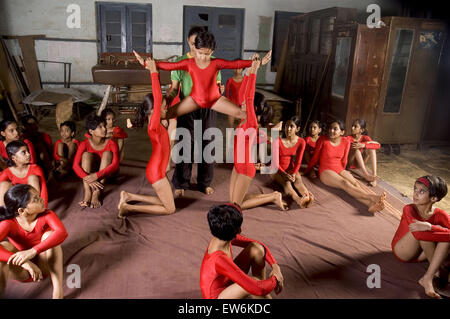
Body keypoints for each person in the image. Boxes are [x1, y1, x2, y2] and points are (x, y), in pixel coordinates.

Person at [161, 26, 223, 196]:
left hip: (208, 108)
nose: (196, 49)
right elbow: (174, 89)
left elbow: (216, 87)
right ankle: (181, 182)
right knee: (184, 145)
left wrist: (219, 92)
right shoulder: (181, 63)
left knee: (208, 145)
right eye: (192, 44)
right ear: (189, 42)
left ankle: (204, 182)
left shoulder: (213, 62)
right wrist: (166, 101)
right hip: (187, 107)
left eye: (199, 45)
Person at [117, 56, 175, 218]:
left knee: (165, 201)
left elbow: (164, 99)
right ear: (153, 111)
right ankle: (128, 208)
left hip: (157, 169)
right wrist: (153, 72)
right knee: (170, 209)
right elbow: (157, 98)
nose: (165, 109)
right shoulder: (154, 125)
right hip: (156, 171)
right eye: (163, 107)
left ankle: (129, 196)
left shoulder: (158, 123)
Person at [151, 30, 253, 119]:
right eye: (200, 53)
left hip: (215, 99)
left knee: (244, 114)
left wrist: (255, 62)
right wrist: (150, 64)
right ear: (195, 49)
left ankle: (249, 137)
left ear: (212, 51)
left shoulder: (216, 63)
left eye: (207, 54)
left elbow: (235, 64)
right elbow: (170, 66)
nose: (203, 58)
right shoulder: (189, 63)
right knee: (165, 115)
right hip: (194, 100)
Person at [229, 54, 287, 211]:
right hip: (237, 166)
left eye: (244, 105)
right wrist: (250, 68)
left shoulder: (250, 121)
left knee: (236, 206)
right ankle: (273, 196)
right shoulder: (243, 120)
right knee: (232, 202)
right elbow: (243, 94)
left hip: (246, 168)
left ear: (253, 109)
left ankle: (274, 196)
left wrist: (254, 70)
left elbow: (248, 96)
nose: (240, 105)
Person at [200, 203, 284, 299]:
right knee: (254, 285)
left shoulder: (222, 235)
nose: (240, 230)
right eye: (239, 227)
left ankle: (258, 288)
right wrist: (276, 279)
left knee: (256, 248)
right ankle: (257, 286)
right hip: (217, 297)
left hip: (226, 281)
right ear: (236, 230)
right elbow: (259, 289)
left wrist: (275, 266)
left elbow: (259, 245)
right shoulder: (219, 259)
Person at [0, 184, 67, 299]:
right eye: (35, 199)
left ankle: (58, 291)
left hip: (45, 266)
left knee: (49, 235)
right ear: (22, 210)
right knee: (4, 246)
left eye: (38, 195)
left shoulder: (47, 214)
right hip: (23, 272)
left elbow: (62, 233)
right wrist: (25, 263)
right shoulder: (8, 223)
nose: (41, 198)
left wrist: (32, 251)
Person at [304, 120, 386, 213]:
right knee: (345, 183)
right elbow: (315, 158)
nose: (331, 131)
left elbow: (344, 161)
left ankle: (370, 205)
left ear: (342, 132)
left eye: (335, 129)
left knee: (355, 183)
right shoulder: (322, 140)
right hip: (326, 170)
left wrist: (344, 172)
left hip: (339, 169)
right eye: (330, 128)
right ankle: (372, 197)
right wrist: (307, 171)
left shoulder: (345, 141)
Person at [391, 175, 450, 299]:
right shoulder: (409, 208)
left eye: (421, 191)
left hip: (421, 255)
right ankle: (438, 270)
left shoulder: (440, 214)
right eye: (415, 189)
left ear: (434, 198)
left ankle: (428, 277)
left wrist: (430, 227)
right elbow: (418, 234)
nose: (415, 194)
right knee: (423, 234)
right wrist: (432, 230)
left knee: (445, 241)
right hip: (402, 251)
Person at [72, 114, 119, 208]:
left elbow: (115, 164)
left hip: (106, 175)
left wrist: (97, 175)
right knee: (86, 155)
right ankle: (88, 192)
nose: (104, 129)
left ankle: (97, 193)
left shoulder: (111, 143)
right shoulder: (84, 144)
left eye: (104, 126)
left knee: (107, 154)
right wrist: (89, 178)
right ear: (91, 131)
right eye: (100, 127)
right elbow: (75, 166)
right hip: (90, 176)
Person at [270, 116, 314, 208]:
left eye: (291, 126)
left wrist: (294, 173)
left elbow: (298, 162)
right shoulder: (277, 141)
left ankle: (307, 196)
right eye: (286, 126)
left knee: (298, 181)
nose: (288, 129)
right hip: (277, 169)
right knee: (287, 184)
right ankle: (298, 200)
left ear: (297, 129)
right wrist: (284, 174)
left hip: (291, 168)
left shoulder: (301, 142)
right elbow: (275, 163)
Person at [0, 141, 47, 207]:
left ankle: (35, 208)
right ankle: (2, 214)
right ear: (13, 158)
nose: (28, 154)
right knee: (4, 184)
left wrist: (43, 208)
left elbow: (44, 190)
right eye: (23, 152)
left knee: (33, 178)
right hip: (15, 205)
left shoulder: (36, 168)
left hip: (30, 206)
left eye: (28, 151)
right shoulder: (7, 172)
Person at [346, 119, 380, 186]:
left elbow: (378, 145)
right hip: (349, 164)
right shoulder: (348, 138)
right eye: (352, 126)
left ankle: (374, 176)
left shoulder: (365, 137)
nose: (352, 128)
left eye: (355, 126)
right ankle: (366, 175)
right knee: (355, 147)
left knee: (372, 148)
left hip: (358, 165)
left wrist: (364, 145)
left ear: (361, 130)